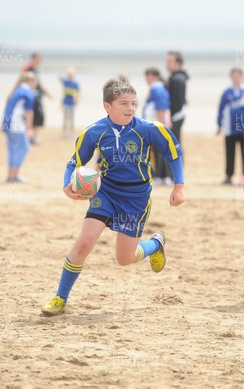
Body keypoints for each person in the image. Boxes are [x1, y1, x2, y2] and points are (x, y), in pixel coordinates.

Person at [41, 77, 185, 316]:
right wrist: (68, 185)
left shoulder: (149, 129)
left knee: (124, 258)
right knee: (84, 242)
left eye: (133, 103)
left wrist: (178, 186)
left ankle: (155, 244)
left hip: (136, 198)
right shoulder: (94, 132)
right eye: (123, 103)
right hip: (106, 193)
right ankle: (60, 298)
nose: (130, 108)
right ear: (107, 106)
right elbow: (73, 162)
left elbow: (173, 152)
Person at [2, 71, 36, 183]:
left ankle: (11, 175)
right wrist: (30, 129)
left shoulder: (16, 91)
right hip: (16, 125)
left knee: (13, 149)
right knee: (23, 148)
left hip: (8, 124)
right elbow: (29, 112)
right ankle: (14, 175)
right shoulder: (27, 92)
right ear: (30, 81)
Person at [217, 68, 244, 185]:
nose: (236, 79)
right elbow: (221, 109)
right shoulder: (227, 92)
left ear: (242, 77)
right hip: (230, 128)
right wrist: (219, 124)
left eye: (238, 77)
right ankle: (229, 175)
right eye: (234, 77)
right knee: (230, 152)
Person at [143, 67, 172, 186]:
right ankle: (163, 176)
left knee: (158, 152)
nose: (147, 80)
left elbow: (160, 108)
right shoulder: (159, 88)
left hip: (155, 125)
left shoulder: (157, 88)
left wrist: (162, 124)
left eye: (148, 77)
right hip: (156, 123)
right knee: (158, 151)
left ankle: (160, 176)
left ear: (155, 76)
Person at [22, 53, 51, 145]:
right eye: (38, 59)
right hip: (31, 96)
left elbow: (39, 83)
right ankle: (30, 138)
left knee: (38, 117)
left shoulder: (35, 70)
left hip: (38, 96)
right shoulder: (28, 69)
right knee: (31, 116)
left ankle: (33, 137)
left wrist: (47, 93)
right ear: (34, 59)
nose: (40, 61)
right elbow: (22, 80)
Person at [166, 51, 189, 144]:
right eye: (167, 61)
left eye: (169, 61)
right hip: (177, 115)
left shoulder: (178, 79)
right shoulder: (175, 77)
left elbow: (177, 102)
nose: (167, 64)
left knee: (174, 145)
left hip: (175, 116)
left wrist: (168, 118)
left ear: (178, 63)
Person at [60, 68, 80, 139]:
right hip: (65, 102)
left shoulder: (75, 83)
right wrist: (64, 71)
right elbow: (59, 77)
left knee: (71, 119)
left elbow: (78, 93)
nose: (70, 76)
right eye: (69, 74)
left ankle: (71, 132)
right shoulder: (65, 81)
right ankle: (64, 132)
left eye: (71, 74)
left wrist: (77, 101)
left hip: (72, 104)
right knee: (65, 118)